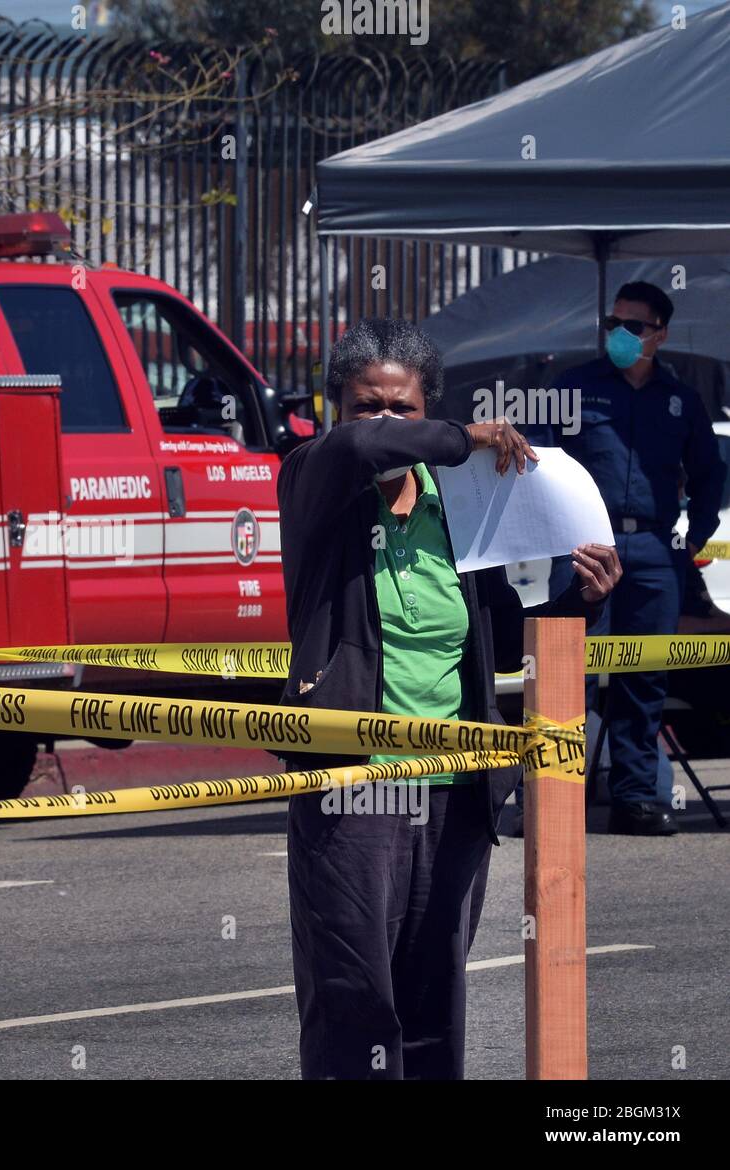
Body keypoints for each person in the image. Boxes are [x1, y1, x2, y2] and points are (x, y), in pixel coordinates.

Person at [275, 318, 620, 1080]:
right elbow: (364, 450)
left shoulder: (458, 508)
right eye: (369, 406)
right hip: (353, 787)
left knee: (435, 1000)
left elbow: (501, 631)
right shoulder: (315, 481)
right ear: (336, 410)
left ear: (429, 408)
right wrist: (458, 435)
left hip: (454, 788)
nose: (387, 424)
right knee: (354, 998)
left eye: (405, 408)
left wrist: (578, 603)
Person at [542, 282, 726, 835]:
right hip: (584, 547)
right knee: (572, 674)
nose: (620, 335)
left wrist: (698, 535)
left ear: (660, 334)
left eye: (635, 326)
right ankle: (557, 798)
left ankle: (635, 799)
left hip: (653, 550)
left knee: (643, 680)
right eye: (612, 323)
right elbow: (542, 458)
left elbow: (711, 472)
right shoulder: (574, 388)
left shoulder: (681, 397)